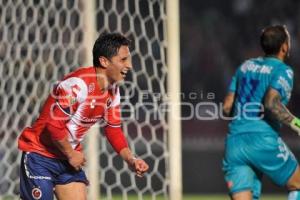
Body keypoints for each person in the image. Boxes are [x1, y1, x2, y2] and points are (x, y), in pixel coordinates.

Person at [18, 33, 149, 200]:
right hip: (40, 155)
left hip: (66, 158)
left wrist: (131, 159)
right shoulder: (78, 85)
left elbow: (113, 129)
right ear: (104, 61)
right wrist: (71, 154)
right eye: (123, 60)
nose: (129, 65)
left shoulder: (114, 91)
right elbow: (53, 125)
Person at [222, 25, 300, 200]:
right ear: (285, 46)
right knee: (298, 184)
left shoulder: (244, 66)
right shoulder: (283, 70)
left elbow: (227, 107)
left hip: (235, 143)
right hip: (262, 138)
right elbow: (271, 104)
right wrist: (297, 124)